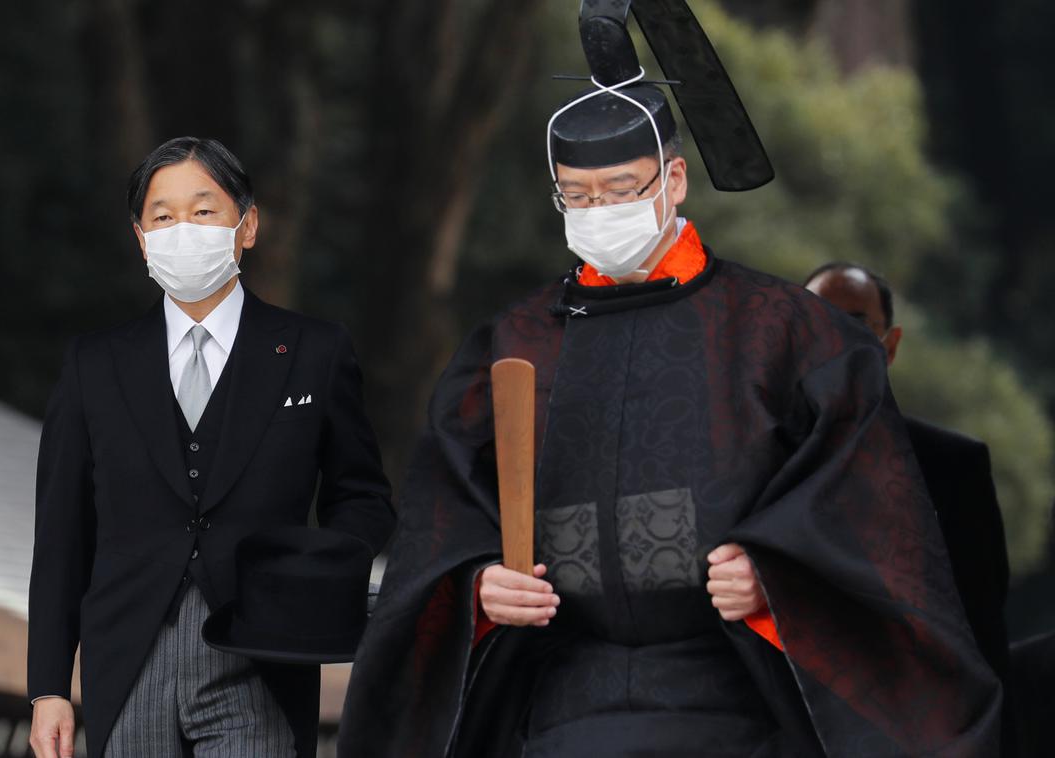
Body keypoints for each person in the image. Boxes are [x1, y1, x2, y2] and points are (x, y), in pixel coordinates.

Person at [339, 10, 1001, 756]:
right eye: (577, 197)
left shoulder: (786, 333)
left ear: (674, 179)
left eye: (620, 189)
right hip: (563, 697)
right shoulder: (511, 343)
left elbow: (869, 511)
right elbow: (443, 521)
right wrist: (479, 589)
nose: (598, 213)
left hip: (736, 694)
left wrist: (777, 574)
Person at [27, 136, 395, 758]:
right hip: (126, 659)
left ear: (246, 225)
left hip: (263, 660)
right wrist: (48, 689)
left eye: (204, 211)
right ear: (141, 238)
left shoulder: (314, 351)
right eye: (162, 216)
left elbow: (361, 495)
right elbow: (62, 533)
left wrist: (317, 575)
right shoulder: (95, 364)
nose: (183, 230)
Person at [803, 262, 1011, 689]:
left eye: (855, 325)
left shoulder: (956, 467)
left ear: (890, 344)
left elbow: (983, 622)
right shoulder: (760, 459)